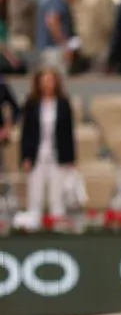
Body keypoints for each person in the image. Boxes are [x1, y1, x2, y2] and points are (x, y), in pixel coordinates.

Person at [20, 67, 76, 226]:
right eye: (44, 80)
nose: (47, 84)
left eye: (50, 80)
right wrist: (25, 157)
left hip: (58, 155)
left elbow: (69, 133)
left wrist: (71, 159)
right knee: (35, 196)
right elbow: (26, 133)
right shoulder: (31, 104)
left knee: (56, 198)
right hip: (36, 155)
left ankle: (57, 226)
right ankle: (33, 226)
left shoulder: (64, 104)